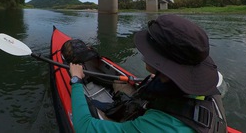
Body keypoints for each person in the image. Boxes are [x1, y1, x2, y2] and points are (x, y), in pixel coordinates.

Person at [69, 14, 228, 133]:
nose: (144, 53)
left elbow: (84, 127)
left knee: (89, 106)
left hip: (148, 125)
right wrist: (160, 80)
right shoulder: (210, 91)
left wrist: (76, 79)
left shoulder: (156, 128)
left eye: (148, 50)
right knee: (119, 84)